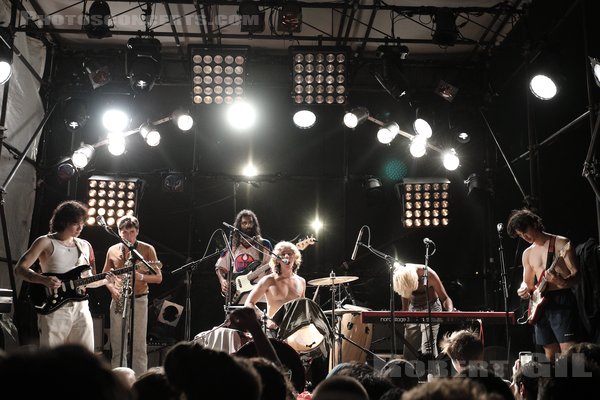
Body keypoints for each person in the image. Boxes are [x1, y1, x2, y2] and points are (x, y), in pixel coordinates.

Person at [14, 200, 100, 352]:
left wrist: (108, 280)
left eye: (82, 224)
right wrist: (43, 280)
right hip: (54, 307)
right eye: (76, 223)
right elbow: (20, 269)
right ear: (63, 221)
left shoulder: (85, 245)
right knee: (52, 359)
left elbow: (89, 279)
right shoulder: (45, 241)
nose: (80, 228)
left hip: (81, 307)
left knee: (84, 358)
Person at [507, 208, 580, 362]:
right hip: (540, 306)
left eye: (525, 231)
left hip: (561, 301)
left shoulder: (562, 243)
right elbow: (528, 283)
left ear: (534, 223)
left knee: (570, 354)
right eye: (520, 235)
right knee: (550, 356)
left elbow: (577, 277)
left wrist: (560, 281)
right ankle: (554, 385)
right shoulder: (527, 253)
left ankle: (575, 385)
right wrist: (523, 289)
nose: (525, 237)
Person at [103, 215, 162, 376]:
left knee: (138, 345)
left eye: (131, 232)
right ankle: (119, 381)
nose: (127, 235)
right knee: (117, 343)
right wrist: (112, 290)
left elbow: (158, 278)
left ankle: (140, 381)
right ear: (118, 232)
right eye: (124, 232)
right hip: (118, 298)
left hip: (139, 299)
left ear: (137, 232)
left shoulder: (147, 249)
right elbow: (105, 277)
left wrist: (141, 276)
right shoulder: (112, 250)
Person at [392, 263, 454, 362]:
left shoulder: (429, 274)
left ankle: (432, 376)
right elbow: (405, 298)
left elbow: (445, 298)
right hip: (413, 309)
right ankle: (410, 376)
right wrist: (405, 315)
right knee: (408, 351)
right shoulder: (402, 275)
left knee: (428, 348)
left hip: (431, 307)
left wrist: (450, 312)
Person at [216, 209, 273, 306]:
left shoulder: (264, 244)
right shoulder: (232, 246)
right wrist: (223, 281)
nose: (248, 226)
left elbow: (272, 268)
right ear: (239, 225)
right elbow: (219, 267)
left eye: (250, 222)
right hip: (237, 297)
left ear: (254, 224)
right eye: (244, 223)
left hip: (259, 298)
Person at [244, 241, 306, 325]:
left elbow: (302, 308)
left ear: (295, 257)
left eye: (290, 253)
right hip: (274, 330)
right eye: (283, 254)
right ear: (277, 259)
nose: (286, 256)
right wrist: (264, 317)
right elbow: (248, 303)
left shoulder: (301, 281)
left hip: (294, 329)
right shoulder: (268, 280)